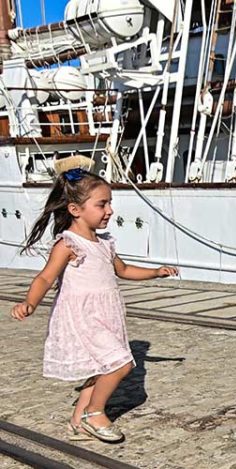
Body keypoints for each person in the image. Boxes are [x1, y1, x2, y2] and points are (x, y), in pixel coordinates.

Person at [10, 167, 178, 443]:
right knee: (121, 363)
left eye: (110, 203)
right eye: (102, 204)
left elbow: (123, 270)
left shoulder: (104, 243)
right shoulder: (68, 244)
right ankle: (93, 412)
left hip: (107, 313)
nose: (109, 210)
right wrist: (29, 303)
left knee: (98, 370)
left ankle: (77, 423)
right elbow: (45, 277)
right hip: (82, 316)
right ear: (75, 209)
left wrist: (155, 272)